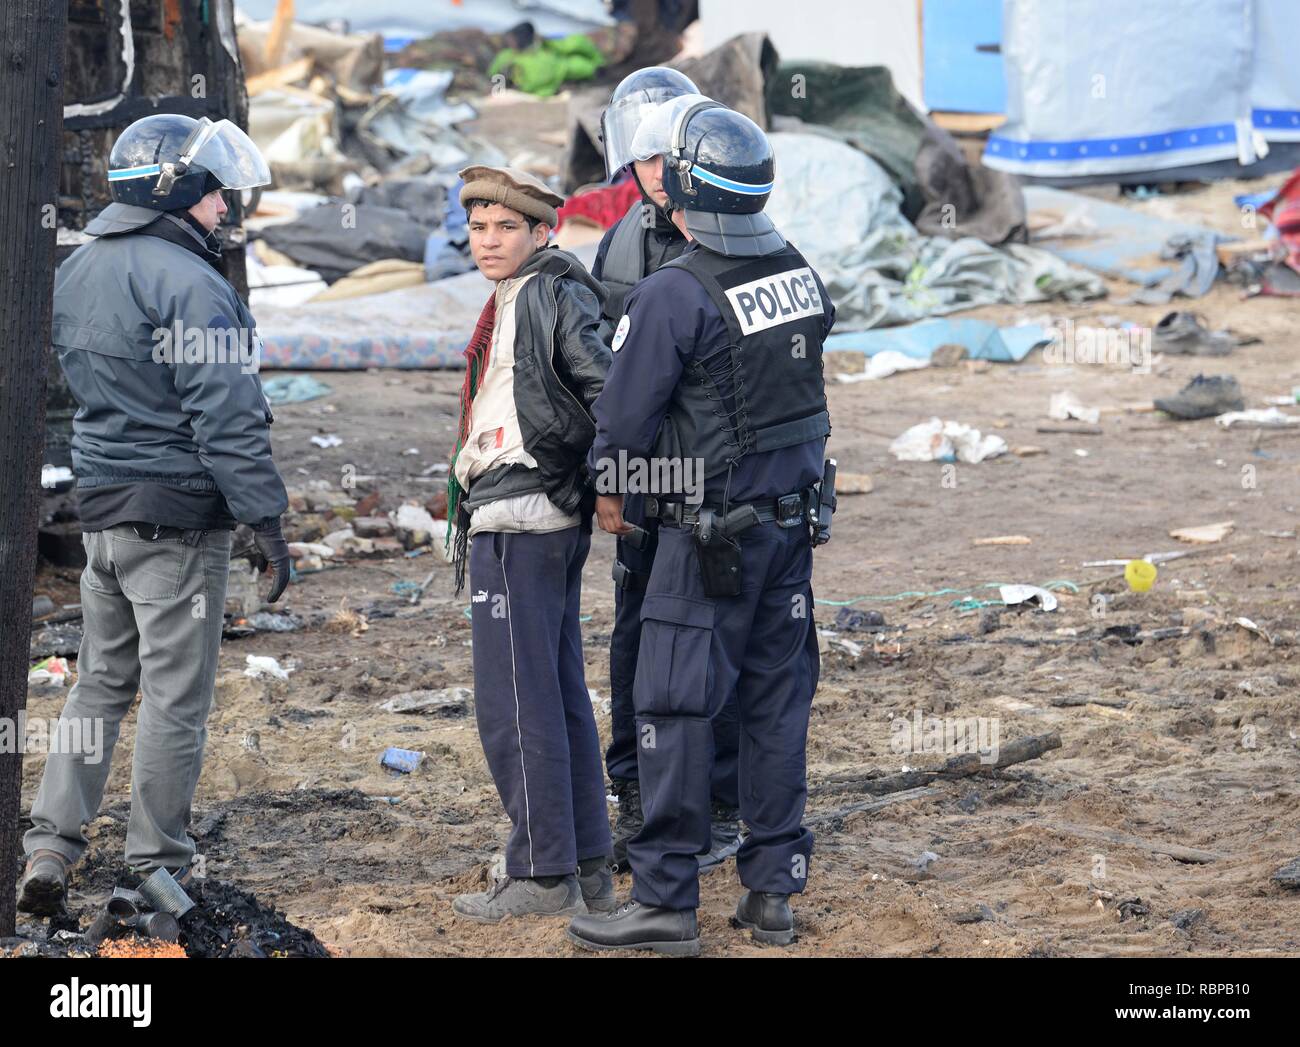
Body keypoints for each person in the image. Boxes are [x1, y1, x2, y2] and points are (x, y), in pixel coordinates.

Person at [568, 103, 836, 955]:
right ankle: (771, 895)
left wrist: (617, 493)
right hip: (790, 537)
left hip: (704, 540)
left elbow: (624, 419)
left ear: (683, 190)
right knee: (774, 708)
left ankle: (666, 903)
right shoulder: (799, 273)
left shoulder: (675, 291)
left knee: (675, 710)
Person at [19, 114, 289, 915]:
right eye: (214, 198)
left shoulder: (79, 268)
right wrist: (265, 520)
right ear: (182, 198)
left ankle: (49, 845)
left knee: (99, 683)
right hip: (174, 519)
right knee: (176, 694)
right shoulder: (194, 284)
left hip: (102, 512)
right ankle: (154, 864)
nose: (222, 212)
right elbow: (227, 416)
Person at [446, 166, 615, 923]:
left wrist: (586, 473)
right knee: (553, 691)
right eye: (479, 228)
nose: (489, 241)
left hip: (523, 513)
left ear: (540, 231)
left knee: (514, 702)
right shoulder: (527, 291)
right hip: (529, 509)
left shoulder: (548, 291)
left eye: (505, 228)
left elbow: (604, 387)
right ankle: (584, 860)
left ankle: (542, 873)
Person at [593, 69, 743, 872]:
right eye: (643, 159)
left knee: (710, 640)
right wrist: (608, 474)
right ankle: (638, 788)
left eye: (665, 158)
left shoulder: (731, 228)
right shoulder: (618, 242)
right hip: (645, 481)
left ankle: (718, 794)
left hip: (711, 485)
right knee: (636, 631)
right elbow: (602, 368)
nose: (655, 174)